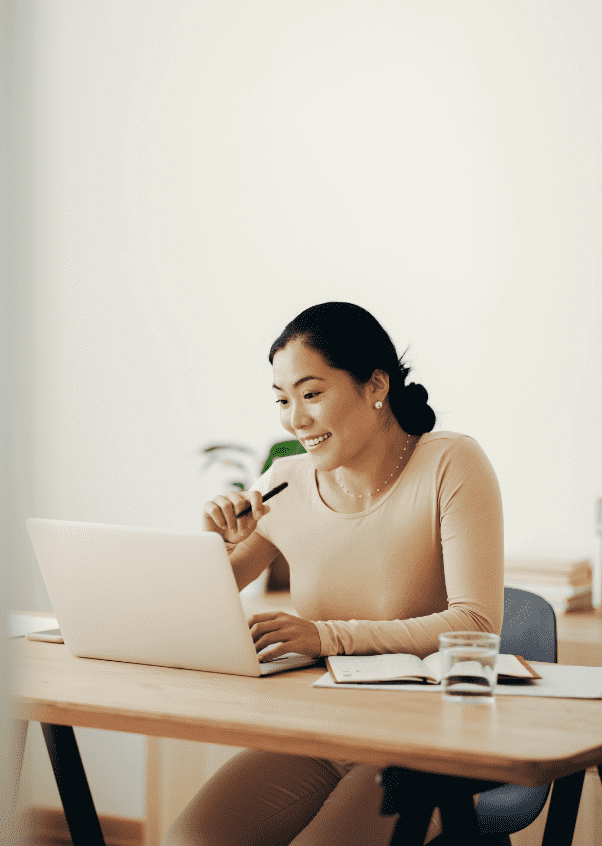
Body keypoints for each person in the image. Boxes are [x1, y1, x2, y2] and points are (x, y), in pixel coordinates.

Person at [164, 302, 504, 846]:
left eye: (312, 393)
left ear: (374, 386)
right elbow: (197, 607)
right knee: (191, 840)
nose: (294, 419)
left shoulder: (450, 463)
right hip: (322, 731)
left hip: (431, 742)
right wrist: (212, 543)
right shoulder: (287, 482)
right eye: (282, 399)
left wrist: (326, 636)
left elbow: (477, 625)